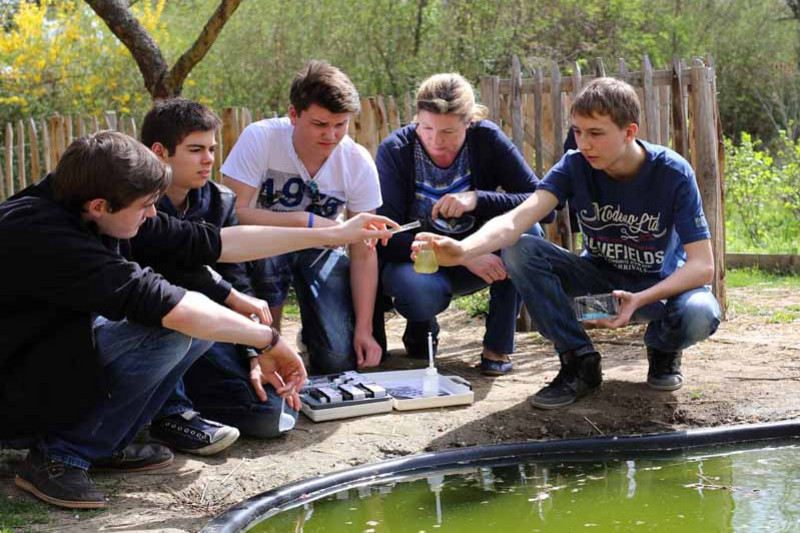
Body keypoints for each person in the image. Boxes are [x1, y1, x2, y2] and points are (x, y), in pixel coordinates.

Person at [0, 131, 397, 509]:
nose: (153, 214)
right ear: (100, 206)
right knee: (175, 327)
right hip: (13, 380)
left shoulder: (91, 201)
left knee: (194, 323)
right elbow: (163, 303)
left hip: (43, 351)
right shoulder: (43, 233)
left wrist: (335, 233)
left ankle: (100, 444)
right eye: (145, 207)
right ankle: (60, 454)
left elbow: (216, 242)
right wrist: (267, 340)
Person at [412, 77, 721, 408]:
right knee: (521, 246)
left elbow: (703, 266)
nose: (583, 144)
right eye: (577, 131)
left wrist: (639, 299)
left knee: (700, 313)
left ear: (629, 132)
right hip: (600, 295)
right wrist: (462, 251)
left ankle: (662, 345)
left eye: (595, 133)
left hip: (658, 295)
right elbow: (517, 219)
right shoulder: (575, 164)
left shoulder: (672, 172)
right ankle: (579, 362)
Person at [141, 98, 295, 447]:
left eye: (211, 148)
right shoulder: (134, 201)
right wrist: (231, 298)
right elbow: (165, 270)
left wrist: (253, 352)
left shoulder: (220, 200)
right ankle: (170, 412)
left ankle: (186, 400)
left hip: (211, 328)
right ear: (159, 152)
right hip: (153, 322)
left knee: (270, 414)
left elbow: (235, 275)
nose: (209, 159)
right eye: (195, 150)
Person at [376, 73, 552, 375]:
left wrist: (477, 199)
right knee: (418, 292)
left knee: (528, 234)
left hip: (479, 253)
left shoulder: (487, 138)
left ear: (470, 121)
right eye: (426, 127)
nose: (435, 140)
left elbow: (542, 206)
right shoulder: (395, 150)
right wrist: (462, 255)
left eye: (448, 131)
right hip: (418, 263)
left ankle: (497, 347)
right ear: (415, 117)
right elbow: (388, 236)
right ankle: (421, 327)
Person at [222, 60, 383, 374]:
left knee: (337, 361)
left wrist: (364, 329)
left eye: (341, 124)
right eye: (320, 124)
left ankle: (314, 334)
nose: (331, 135)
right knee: (269, 257)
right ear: (293, 115)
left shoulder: (357, 161)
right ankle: (268, 342)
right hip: (264, 246)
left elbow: (364, 249)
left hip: (323, 252)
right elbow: (233, 216)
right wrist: (305, 222)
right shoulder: (261, 138)